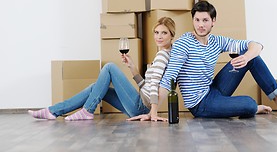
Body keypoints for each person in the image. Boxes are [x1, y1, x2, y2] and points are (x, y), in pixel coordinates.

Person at [156, 0, 277, 119]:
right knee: (249, 104)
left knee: (252, 58)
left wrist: (246, 57)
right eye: (197, 20)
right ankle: (252, 108)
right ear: (193, 20)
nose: (200, 25)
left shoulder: (217, 41)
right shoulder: (184, 43)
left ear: (213, 21)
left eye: (205, 20)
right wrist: (153, 111)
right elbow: (169, 77)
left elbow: (256, 45)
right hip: (200, 104)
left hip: (213, 89)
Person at [28, 17, 176, 121]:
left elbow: (155, 85)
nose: (159, 36)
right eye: (156, 32)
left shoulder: (163, 55)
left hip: (142, 106)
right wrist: (132, 68)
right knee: (96, 88)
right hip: (141, 105)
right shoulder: (165, 54)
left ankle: (87, 110)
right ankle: (53, 111)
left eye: (164, 33)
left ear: (171, 35)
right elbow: (147, 86)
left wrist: (153, 112)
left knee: (110, 67)